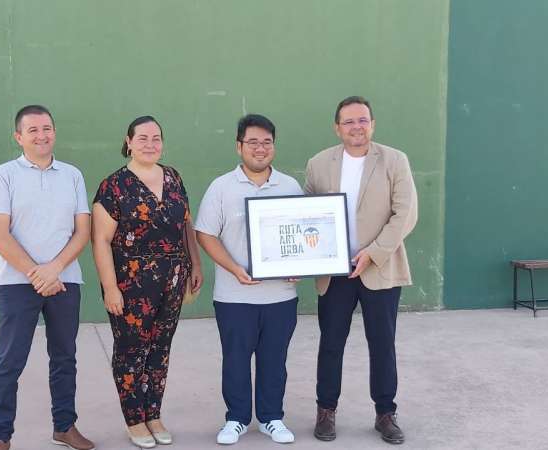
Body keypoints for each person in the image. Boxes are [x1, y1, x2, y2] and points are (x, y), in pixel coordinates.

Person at [305, 96, 418, 445]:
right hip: (334, 271)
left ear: (372, 124)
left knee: (382, 343)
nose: (357, 127)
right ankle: (326, 411)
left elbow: (406, 214)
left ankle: (385, 413)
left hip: (379, 268)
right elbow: (308, 214)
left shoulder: (394, 160)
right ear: (337, 127)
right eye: (349, 121)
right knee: (331, 343)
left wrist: (373, 252)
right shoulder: (319, 164)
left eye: (363, 120)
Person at [0, 105, 95, 450]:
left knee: (64, 357)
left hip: (65, 281)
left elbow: (82, 231)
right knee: (9, 361)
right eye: (32, 130)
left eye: (46, 128)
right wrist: (38, 274)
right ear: (19, 137)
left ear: (54, 132)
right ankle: (0, 436)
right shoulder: (4, 175)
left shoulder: (72, 175)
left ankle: (65, 426)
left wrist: (55, 269)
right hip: (17, 283)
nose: (41, 135)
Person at [91, 116, 203, 449]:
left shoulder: (174, 177)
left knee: (160, 350)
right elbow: (100, 240)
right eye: (142, 138)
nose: (150, 144)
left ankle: (153, 413)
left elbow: (186, 224)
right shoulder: (113, 186)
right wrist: (110, 287)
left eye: (156, 138)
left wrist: (195, 263)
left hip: (173, 279)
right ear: (128, 142)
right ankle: (134, 419)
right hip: (130, 286)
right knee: (130, 352)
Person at [195, 114, 302, 445]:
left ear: (274, 146)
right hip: (234, 296)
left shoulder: (290, 186)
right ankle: (237, 419)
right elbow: (205, 234)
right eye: (252, 142)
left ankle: (272, 418)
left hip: (281, 296)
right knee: (236, 361)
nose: (260, 148)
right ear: (239, 146)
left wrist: (298, 263)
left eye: (267, 142)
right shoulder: (221, 187)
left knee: (275, 361)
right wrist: (233, 268)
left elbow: (299, 235)